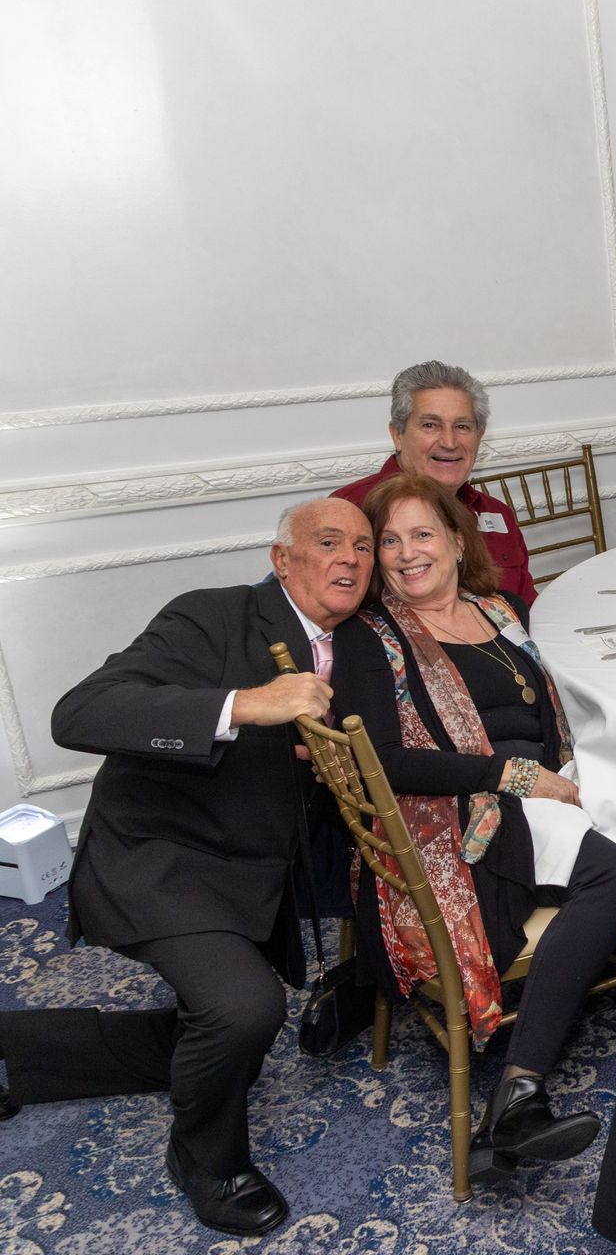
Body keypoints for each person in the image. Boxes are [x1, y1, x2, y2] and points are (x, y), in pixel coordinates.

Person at [0, 499, 372, 1237]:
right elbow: (79, 714)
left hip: (261, 865)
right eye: (329, 542)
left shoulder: (356, 645)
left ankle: (17, 1052)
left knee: (217, 1034)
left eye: (363, 546)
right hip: (161, 855)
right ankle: (206, 1159)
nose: (351, 559)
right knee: (245, 1010)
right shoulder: (212, 615)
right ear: (282, 560)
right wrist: (242, 705)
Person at [329, 474, 616, 1184]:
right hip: (465, 815)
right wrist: (514, 778)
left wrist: (564, 770)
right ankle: (519, 1094)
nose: (408, 553)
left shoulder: (496, 609)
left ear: (454, 538)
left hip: (544, 785)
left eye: (423, 534)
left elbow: (547, 709)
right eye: (390, 540)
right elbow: (386, 758)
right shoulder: (369, 638)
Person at [334, 361, 536, 606]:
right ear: (397, 434)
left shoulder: (496, 512)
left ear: (479, 436)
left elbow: (527, 608)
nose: (449, 442)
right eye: (430, 425)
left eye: (462, 427)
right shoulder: (350, 511)